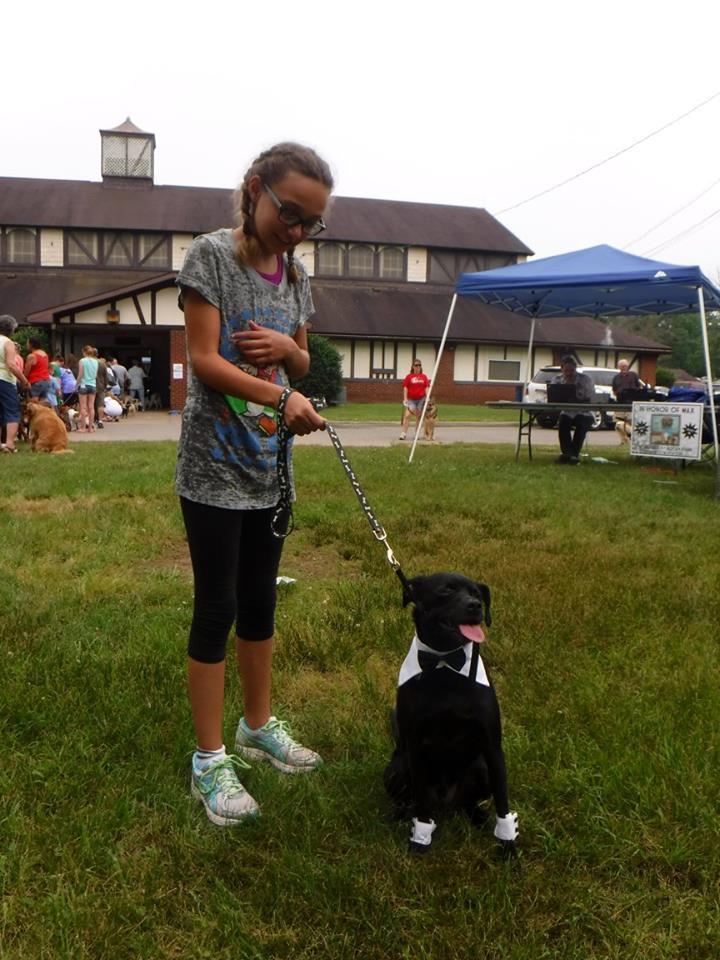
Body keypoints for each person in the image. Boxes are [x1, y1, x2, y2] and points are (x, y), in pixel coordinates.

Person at [176, 141, 332, 827]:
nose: (295, 231)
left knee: (261, 601)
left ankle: (256, 725)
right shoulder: (209, 257)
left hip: (270, 472)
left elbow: (299, 361)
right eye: (289, 212)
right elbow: (204, 361)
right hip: (213, 469)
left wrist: (289, 357)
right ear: (254, 189)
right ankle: (209, 759)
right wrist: (278, 399)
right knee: (218, 607)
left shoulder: (296, 277)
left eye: (311, 223)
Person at [553, 355, 595, 464]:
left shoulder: (585, 379)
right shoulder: (557, 380)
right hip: (567, 411)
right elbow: (553, 397)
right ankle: (568, 454)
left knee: (582, 425)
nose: (569, 373)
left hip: (584, 411)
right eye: (566, 370)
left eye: (571, 370)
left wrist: (576, 394)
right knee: (563, 424)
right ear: (562, 369)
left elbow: (590, 397)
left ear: (575, 368)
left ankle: (572, 455)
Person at [0, 315, 30, 452]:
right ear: (11, 329)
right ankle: (10, 445)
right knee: (12, 411)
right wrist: (24, 380)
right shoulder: (8, 343)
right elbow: (11, 365)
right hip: (5, 380)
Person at [399, 359, 430, 440]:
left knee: (419, 416)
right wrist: (405, 399)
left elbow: (426, 387)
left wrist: (427, 397)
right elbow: (405, 388)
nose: (418, 367)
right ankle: (403, 433)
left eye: (419, 365)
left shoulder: (424, 377)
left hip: (421, 399)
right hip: (411, 400)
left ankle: (416, 434)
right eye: (416, 365)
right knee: (407, 415)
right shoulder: (409, 376)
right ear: (413, 367)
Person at [76, 344, 99, 432]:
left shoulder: (82, 361)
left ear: (84, 352)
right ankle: (90, 427)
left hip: (83, 384)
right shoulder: (96, 361)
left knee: (83, 407)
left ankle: (82, 427)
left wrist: (76, 383)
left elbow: (81, 374)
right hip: (93, 385)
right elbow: (96, 375)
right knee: (91, 407)